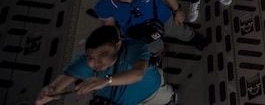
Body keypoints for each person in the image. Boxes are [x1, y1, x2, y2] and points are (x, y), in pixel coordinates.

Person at [34, 25, 174, 105]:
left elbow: (138, 74)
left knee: (166, 100)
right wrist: (48, 92)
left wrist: (107, 80)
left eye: (103, 55)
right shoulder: (83, 63)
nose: (96, 62)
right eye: (91, 57)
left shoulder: (135, 48)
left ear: (118, 45)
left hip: (155, 92)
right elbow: (60, 82)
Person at [94, 0, 208, 57]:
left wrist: (177, 11)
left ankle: (192, 37)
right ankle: (160, 52)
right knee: (152, 46)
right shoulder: (103, 7)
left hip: (163, 18)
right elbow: (110, 26)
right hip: (138, 32)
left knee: (178, 29)